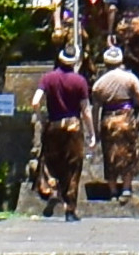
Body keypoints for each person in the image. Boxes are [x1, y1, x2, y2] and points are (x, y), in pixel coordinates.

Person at [31, 51, 93, 219]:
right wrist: (91, 132)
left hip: (54, 123)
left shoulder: (47, 78)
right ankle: (70, 209)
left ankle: (51, 189)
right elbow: (85, 109)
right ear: (75, 62)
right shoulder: (79, 81)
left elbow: (35, 101)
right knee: (73, 166)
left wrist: (40, 117)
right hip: (73, 124)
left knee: (50, 161)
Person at [88, 47, 139, 206]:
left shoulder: (99, 83)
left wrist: (95, 130)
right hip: (126, 116)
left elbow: (95, 109)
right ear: (121, 61)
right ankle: (127, 188)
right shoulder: (130, 78)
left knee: (110, 154)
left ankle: (113, 189)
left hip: (108, 118)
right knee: (128, 152)